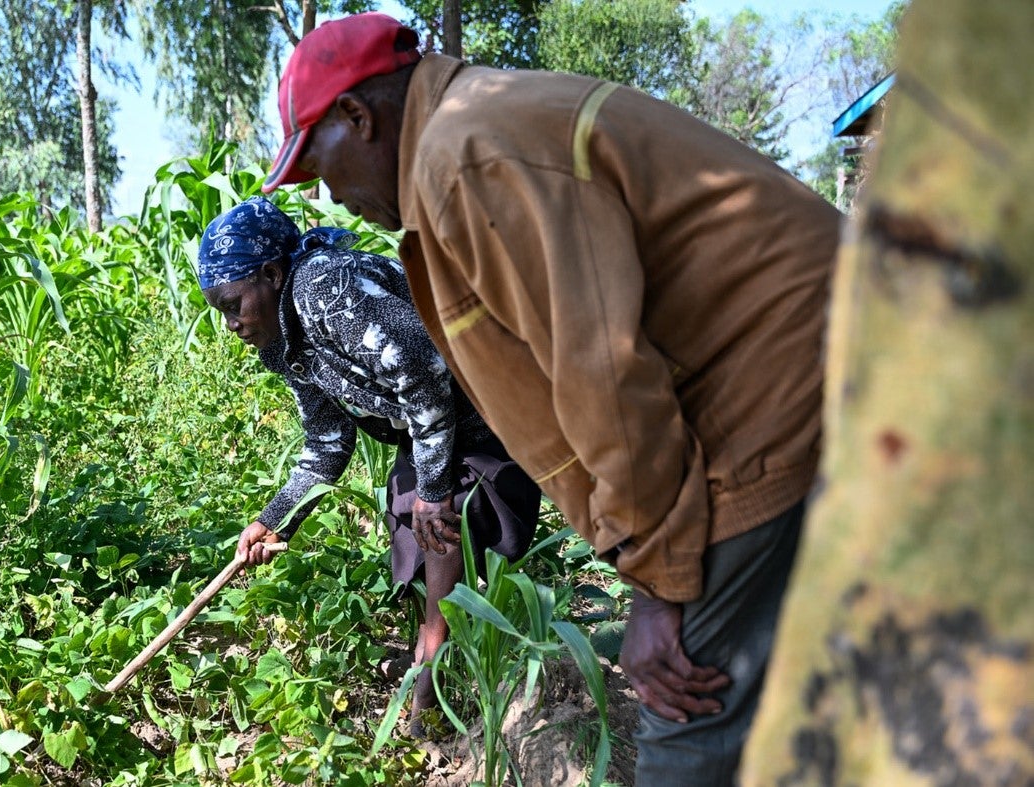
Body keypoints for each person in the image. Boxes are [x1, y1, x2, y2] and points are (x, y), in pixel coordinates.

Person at [260, 13, 841, 786]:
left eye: (320, 167)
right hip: (808, 360)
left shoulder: (464, 157)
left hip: (776, 383)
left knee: (686, 707)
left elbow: (603, 375)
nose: (329, 195)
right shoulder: (469, 133)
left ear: (356, 118)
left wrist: (657, 585)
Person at [197, 196, 541, 734]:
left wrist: (434, 486)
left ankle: (428, 702)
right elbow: (327, 445)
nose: (232, 323)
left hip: (492, 403)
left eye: (233, 304)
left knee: (438, 526)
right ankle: (443, 674)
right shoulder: (283, 344)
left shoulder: (324, 288)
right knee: (415, 524)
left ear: (271, 273)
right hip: (437, 427)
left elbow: (425, 370)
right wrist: (275, 519)